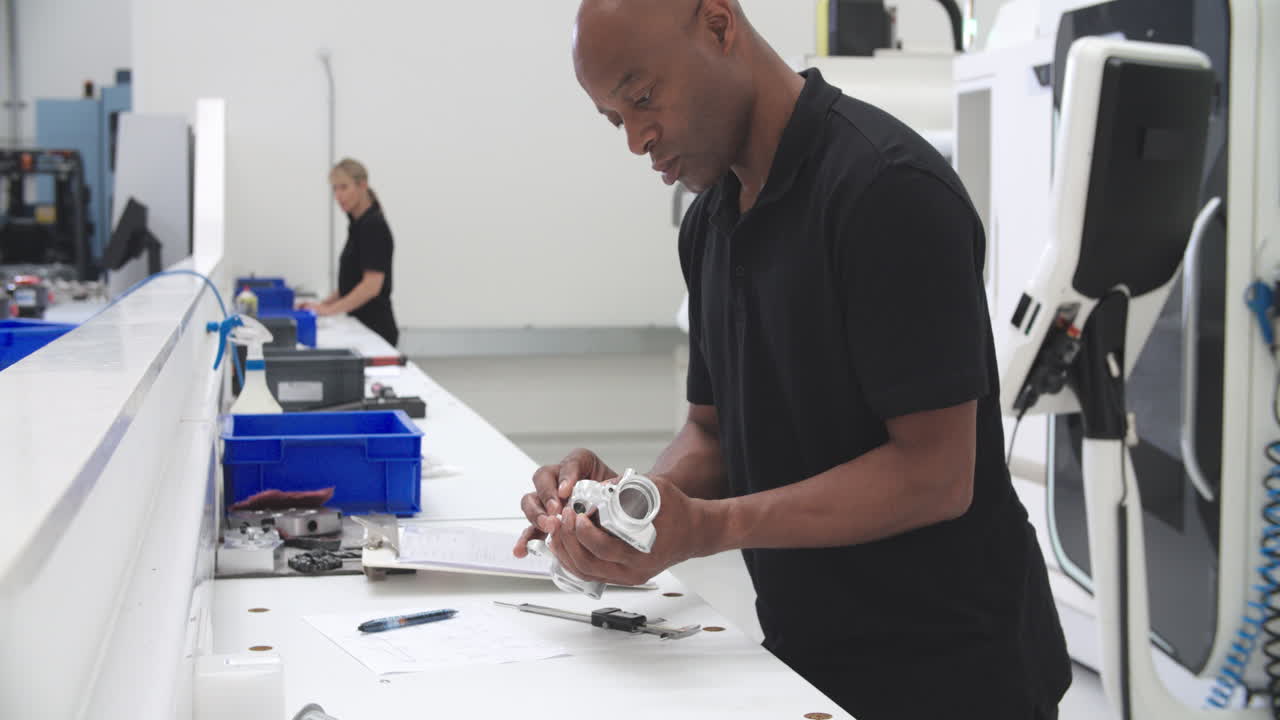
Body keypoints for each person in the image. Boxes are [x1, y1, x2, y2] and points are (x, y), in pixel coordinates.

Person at [512, 1, 1072, 718]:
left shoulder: (886, 191)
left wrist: (711, 527)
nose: (636, 140)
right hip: (808, 663)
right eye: (615, 119)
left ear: (719, 25)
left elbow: (936, 474)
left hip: (955, 675)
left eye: (643, 97)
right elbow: (713, 433)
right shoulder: (711, 223)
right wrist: (632, 509)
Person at [302, 158, 399, 347]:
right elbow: (352, 283)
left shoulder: (373, 226)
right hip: (360, 324)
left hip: (376, 328)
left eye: (344, 188)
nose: (338, 195)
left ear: (362, 185)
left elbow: (371, 286)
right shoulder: (357, 225)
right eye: (334, 189)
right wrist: (324, 304)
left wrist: (329, 311)